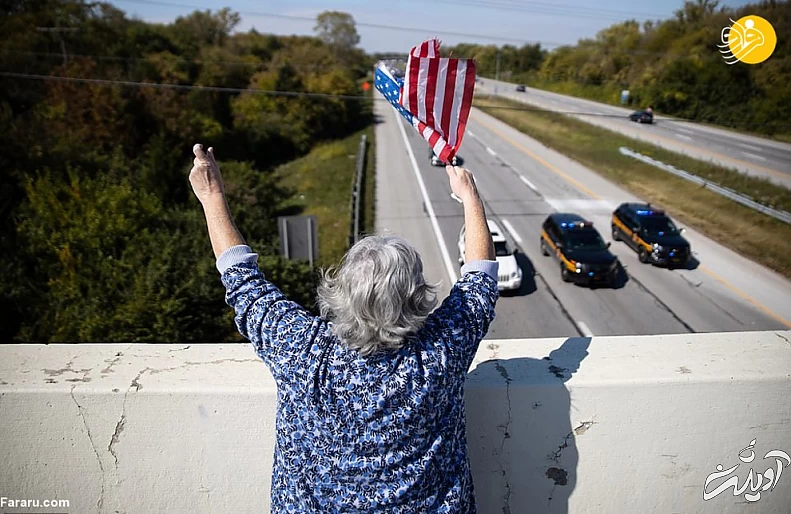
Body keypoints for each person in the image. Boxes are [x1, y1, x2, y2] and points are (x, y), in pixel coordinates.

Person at [189, 143, 499, 513]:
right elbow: (481, 277)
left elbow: (241, 278)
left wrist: (212, 196)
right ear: (417, 297)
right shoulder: (441, 352)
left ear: (340, 291)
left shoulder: (300, 350)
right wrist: (470, 195)